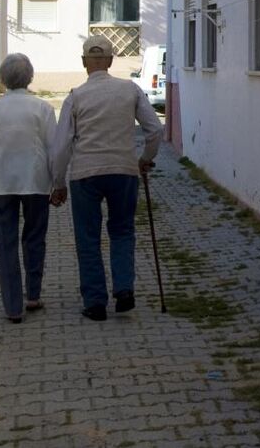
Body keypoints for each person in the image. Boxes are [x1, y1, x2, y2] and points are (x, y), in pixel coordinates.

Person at [51, 36, 163, 321]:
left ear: (84, 63)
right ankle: (124, 289)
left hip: (85, 174)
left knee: (88, 238)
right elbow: (154, 130)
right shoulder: (130, 90)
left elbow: (61, 144)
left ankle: (95, 303)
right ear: (111, 62)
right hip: (123, 171)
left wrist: (58, 182)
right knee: (122, 231)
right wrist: (145, 159)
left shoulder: (75, 96)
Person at [0, 53, 58, 323]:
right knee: (35, 238)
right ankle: (32, 295)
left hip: (0, 183)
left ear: (2, 78)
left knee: (5, 245)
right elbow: (53, 149)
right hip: (35, 182)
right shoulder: (42, 108)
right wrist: (57, 182)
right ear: (30, 77)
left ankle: (12, 306)